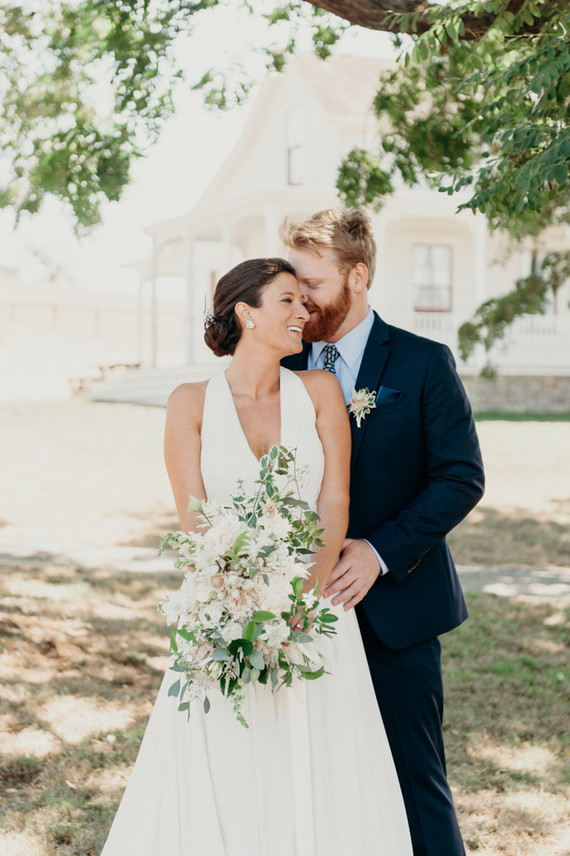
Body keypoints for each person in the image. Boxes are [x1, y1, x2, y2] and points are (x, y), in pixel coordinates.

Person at [101, 257, 413, 856]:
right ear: (245, 313)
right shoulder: (188, 402)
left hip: (315, 610)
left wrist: (302, 598)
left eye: (304, 300)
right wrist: (239, 598)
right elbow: (193, 520)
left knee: (321, 755)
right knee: (227, 753)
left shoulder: (319, 391)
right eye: (288, 302)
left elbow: (334, 498)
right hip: (224, 607)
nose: (304, 312)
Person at [280, 210, 485, 856]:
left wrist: (380, 551)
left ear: (357, 276)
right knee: (317, 785)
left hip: (398, 613)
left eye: (311, 282)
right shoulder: (283, 367)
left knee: (414, 784)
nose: (300, 298)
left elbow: (461, 478)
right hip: (303, 614)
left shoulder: (424, 363)